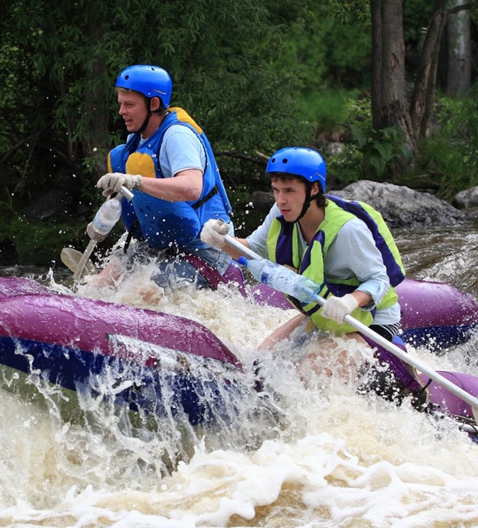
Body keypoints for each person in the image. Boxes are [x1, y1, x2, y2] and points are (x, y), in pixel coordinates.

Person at [200, 146, 424, 400]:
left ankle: (398, 371)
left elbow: (379, 280)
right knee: (262, 357)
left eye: (290, 191)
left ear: (314, 190)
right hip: (325, 315)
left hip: (372, 320)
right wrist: (221, 241)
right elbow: (253, 249)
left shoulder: (348, 230)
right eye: (276, 190)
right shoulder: (280, 214)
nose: (281, 199)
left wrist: (350, 301)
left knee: (310, 371)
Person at [92, 64, 241, 291]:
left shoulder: (177, 136)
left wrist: (136, 181)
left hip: (205, 251)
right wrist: (100, 222)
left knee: (139, 293)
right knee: (96, 287)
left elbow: (192, 188)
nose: (122, 111)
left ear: (153, 104)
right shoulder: (134, 145)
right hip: (156, 247)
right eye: (120, 104)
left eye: (129, 104)